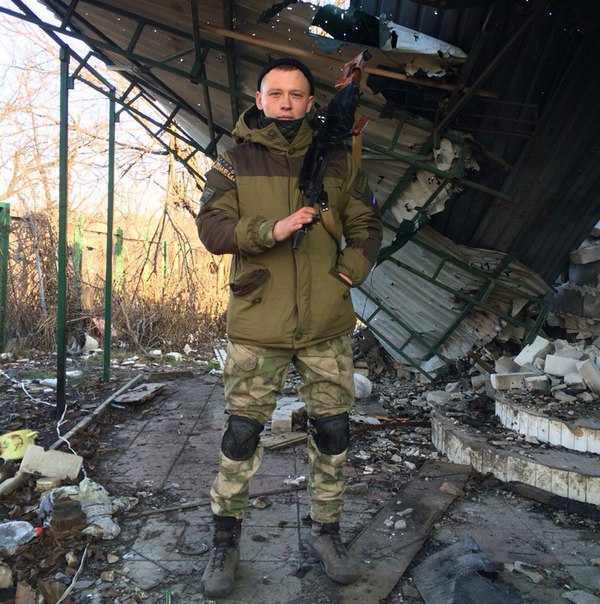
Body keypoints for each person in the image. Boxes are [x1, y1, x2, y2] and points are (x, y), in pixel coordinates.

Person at [195, 56, 382, 598]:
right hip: (259, 321)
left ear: (309, 102)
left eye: (296, 95)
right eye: (275, 93)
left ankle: (328, 534)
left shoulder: (338, 160)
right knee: (241, 434)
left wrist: (349, 270)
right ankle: (224, 542)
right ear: (259, 100)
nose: (285, 103)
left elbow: (367, 223)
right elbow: (212, 227)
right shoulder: (234, 161)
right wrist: (269, 230)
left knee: (333, 432)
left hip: (326, 322)